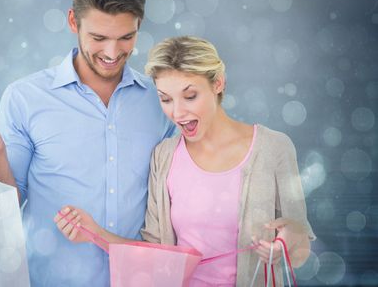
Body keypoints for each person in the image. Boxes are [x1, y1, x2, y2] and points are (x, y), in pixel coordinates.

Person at [0, 0, 175, 286]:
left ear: (139, 25)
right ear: (73, 21)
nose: (112, 52)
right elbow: (7, 210)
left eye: (126, 37)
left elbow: (175, 197)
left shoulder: (160, 101)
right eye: (99, 37)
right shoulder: (25, 98)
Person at [55, 36, 315, 286]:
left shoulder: (273, 148)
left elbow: (301, 247)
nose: (177, 112)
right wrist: (94, 233)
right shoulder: (164, 156)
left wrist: (287, 243)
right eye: (165, 99)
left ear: (218, 84)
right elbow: (154, 251)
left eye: (190, 96)